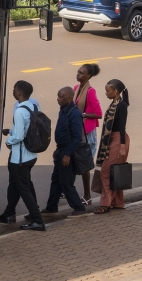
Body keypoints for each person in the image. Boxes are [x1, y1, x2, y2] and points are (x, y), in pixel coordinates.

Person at [0, 81, 44, 231]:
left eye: (14, 90)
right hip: (31, 155)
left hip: (19, 158)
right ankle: (9, 213)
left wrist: (9, 139)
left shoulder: (20, 111)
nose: (13, 92)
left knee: (23, 188)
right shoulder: (33, 106)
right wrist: (12, 132)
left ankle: (38, 220)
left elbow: (20, 135)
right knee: (15, 185)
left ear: (20, 93)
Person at [43, 87, 87, 218]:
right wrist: (58, 151)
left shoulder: (74, 113)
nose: (58, 99)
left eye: (61, 97)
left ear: (69, 98)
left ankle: (79, 208)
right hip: (61, 150)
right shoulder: (63, 110)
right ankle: (51, 207)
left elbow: (76, 137)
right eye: (58, 96)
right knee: (56, 179)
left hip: (68, 152)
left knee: (66, 182)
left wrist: (67, 154)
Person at [94, 79, 130, 214]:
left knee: (106, 171)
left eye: (107, 91)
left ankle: (105, 203)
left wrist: (121, 146)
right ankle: (118, 202)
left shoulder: (121, 106)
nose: (105, 93)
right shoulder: (114, 103)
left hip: (118, 139)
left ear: (115, 91)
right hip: (111, 139)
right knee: (115, 171)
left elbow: (122, 127)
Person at [74, 63, 102, 206]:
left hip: (87, 133)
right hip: (76, 132)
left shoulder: (90, 92)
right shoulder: (75, 89)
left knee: (84, 165)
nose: (78, 74)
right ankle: (64, 190)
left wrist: (83, 114)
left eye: (81, 73)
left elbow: (98, 113)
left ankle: (87, 196)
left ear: (88, 76)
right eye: (78, 72)